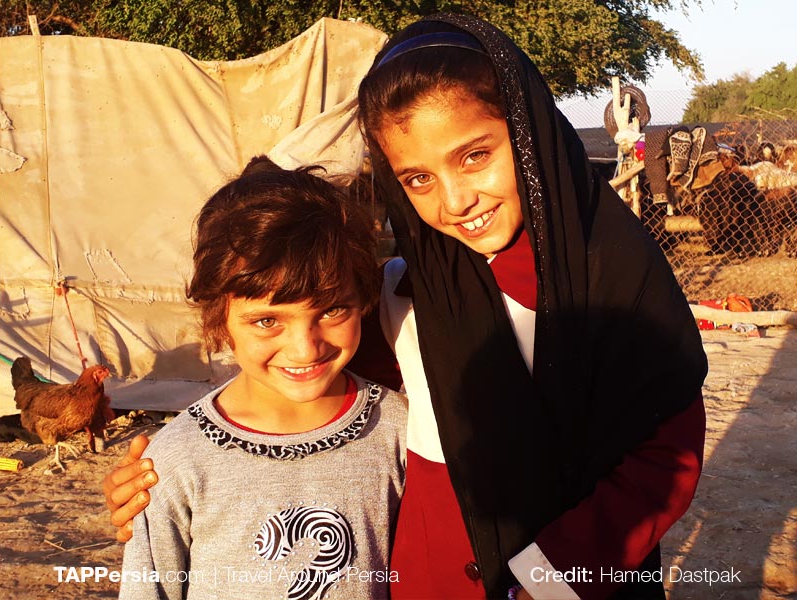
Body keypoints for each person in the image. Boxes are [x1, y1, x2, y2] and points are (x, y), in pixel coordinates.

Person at [106, 14, 708, 600]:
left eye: (475, 156)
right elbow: (297, 370)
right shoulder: (403, 295)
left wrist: (547, 580)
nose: (456, 199)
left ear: (530, 136)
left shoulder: (620, 288)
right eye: (418, 178)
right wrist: (165, 471)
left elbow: (666, 458)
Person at [117, 156, 406, 600]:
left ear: (363, 300)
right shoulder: (177, 460)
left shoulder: (399, 430)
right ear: (219, 319)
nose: (305, 349)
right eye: (267, 321)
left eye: (332, 310)